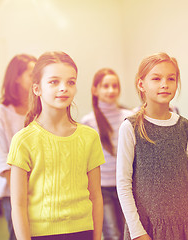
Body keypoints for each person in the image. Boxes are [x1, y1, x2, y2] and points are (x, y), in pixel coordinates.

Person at [116, 52, 188, 240]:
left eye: (171, 79)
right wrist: (137, 232)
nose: (164, 84)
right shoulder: (130, 127)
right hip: (149, 228)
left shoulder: (183, 126)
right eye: (156, 78)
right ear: (141, 84)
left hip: (186, 225)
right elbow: (123, 184)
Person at [7, 51, 105, 240]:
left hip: (83, 232)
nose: (63, 88)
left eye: (71, 82)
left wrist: (97, 237)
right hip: (40, 235)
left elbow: (96, 197)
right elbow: (18, 205)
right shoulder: (23, 140)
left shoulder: (89, 137)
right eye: (54, 82)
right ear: (37, 88)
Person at [81, 68, 133, 240]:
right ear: (94, 90)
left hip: (126, 185)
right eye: (105, 86)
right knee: (113, 234)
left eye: (115, 86)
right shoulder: (88, 122)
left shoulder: (130, 116)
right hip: (102, 188)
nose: (111, 90)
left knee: (130, 232)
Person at [0, 54, 36, 240]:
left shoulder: (40, 110)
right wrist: (23, 190)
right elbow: (1, 158)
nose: (36, 79)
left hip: (41, 191)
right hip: (13, 193)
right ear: (17, 78)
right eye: (31, 74)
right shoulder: (1, 113)